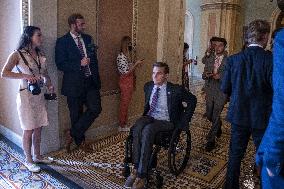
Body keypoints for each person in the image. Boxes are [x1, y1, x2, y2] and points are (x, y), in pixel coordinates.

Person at [124, 62, 197, 189]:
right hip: (150, 117)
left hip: (166, 121)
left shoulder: (176, 90)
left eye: (159, 73)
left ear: (166, 75)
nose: (155, 76)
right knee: (137, 126)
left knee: (148, 130)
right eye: (153, 73)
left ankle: (142, 175)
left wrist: (184, 121)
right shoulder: (148, 86)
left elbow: (192, 100)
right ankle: (136, 168)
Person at [221, 19, 273, 189]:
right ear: (265, 36)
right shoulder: (270, 59)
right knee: (265, 156)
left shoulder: (234, 59)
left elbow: (225, 88)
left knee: (235, 155)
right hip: (262, 117)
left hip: (238, 115)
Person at [1, 26, 54, 172]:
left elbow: (45, 72)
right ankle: (28, 160)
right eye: (38, 35)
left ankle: (37, 155)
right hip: (25, 96)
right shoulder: (17, 54)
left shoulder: (39, 54)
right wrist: (26, 76)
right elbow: (4, 73)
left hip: (38, 95)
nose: (41, 38)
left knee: (39, 127)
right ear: (29, 37)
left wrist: (49, 84)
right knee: (28, 129)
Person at [55, 13, 102, 152]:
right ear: (73, 25)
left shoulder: (88, 39)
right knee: (76, 114)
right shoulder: (62, 41)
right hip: (73, 85)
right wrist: (79, 63)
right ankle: (80, 142)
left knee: (96, 108)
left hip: (90, 82)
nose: (84, 26)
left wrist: (97, 78)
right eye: (81, 24)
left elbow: (94, 60)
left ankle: (72, 133)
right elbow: (60, 64)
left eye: (83, 23)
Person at [256, 28, 284, 189]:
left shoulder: (282, 40)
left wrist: (268, 159)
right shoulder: (268, 57)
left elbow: (282, 109)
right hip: (262, 112)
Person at [202, 37, 228, 152]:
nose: (217, 48)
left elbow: (231, 76)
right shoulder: (210, 57)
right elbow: (203, 74)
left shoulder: (230, 60)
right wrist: (206, 75)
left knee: (216, 114)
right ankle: (218, 125)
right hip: (210, 89)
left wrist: (221, 76)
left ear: (224, 47)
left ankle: (210, 140)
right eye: (215, 45)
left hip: (222, 91)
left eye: (220, 45)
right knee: (209, 114)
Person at [117, 36, 144, 132]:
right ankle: (121, 125)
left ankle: (124, 122)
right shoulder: (121, 56)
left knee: (126, 104)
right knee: (124, 104)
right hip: (125, 82)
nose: (130, 45)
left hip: (129, 81)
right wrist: (135, 64)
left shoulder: (125, 56)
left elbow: (128, 68)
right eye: (129, 43)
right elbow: (126, 72)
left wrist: (135, 64)